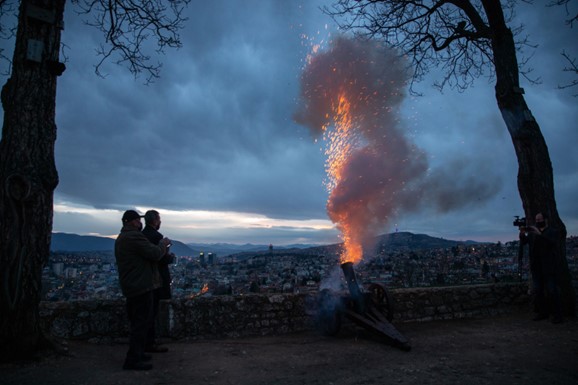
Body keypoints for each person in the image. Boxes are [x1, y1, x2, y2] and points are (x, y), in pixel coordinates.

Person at [115, 209, 171, 370]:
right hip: (141, 285)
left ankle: (139, 352)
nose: (140, 223)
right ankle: (133, 359)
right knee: (141, 322)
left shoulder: (123, 237)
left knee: (139, 321)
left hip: (132, 284)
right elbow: (154, 253)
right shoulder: (133, 237)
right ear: (131, 222)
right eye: (138, 220)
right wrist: (163, 244)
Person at [519, 212, 563, 324]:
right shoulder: (533, 234)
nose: (538, 221)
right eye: (536, 220)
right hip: (536, 266)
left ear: (545, 220)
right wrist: (522, 234)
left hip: (549, 266)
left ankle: (558, 315)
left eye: (539, 219)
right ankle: (543, 312)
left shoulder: (552, 232)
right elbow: (525, 242)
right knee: (538, 290)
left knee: (552, 291)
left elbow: (551, 244)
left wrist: (539, 234)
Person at [142, 209, 175, 353]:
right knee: (153, 311)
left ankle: (147, 341)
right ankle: (152, 342)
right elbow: (160, 258)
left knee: (148, 310)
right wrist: (170, 255)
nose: (160, 222)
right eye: (159, 219)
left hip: (146, 278)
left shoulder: (142, 235)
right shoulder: (157, 236)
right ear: (155, 221)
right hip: (158, 278)